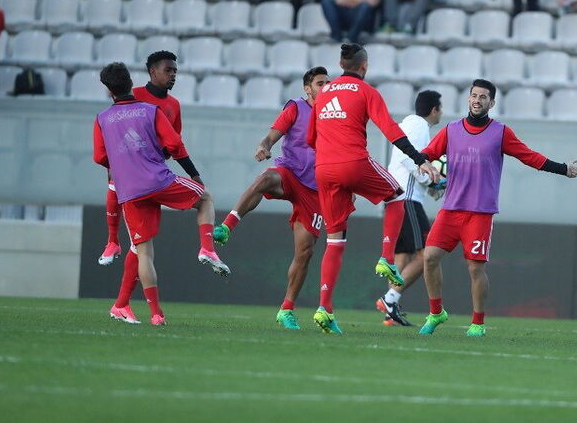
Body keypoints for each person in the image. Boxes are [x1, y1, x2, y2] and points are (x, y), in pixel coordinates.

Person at [417, 79, 577, 337]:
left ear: (491, 103)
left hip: (480, 212)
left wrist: (563, 169)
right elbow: (428, 152)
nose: (477, 100)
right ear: (468, 98)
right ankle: (436, 312)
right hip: (450, 209)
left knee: (475, 268)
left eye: (483, 97)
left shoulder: (500, 132)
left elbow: (529, 156)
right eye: (474, 95)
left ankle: (477, 323)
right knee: (429, 258)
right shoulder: (451, 130)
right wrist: (423, 162)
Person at [307, 44, 440, 334]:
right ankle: (385, 258)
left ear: (341, 64)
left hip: (324, 171)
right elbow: (391, 130)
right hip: (353, 162)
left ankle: (324, 308)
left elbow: (310, 139)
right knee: (395, 192)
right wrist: (420, 159)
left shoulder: (323, 95)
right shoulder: (367, 92)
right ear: (364, 67)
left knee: (334, 241)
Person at [95, 62, 229, 327]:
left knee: (143, 251)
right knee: (204, 199)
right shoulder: (150, 110)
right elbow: (175, 145)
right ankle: (207, 249)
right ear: (130, 81)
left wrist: (125, 166)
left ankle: (156, 314)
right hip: (157, 180)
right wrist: (194, 175)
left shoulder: (102, 118)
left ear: (109, 90)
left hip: (128, 190)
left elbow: (100, 156)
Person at [212, 67, 330, 330]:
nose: (326, 87)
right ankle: (227, 226)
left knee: (305, 252)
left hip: (316, 189)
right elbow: (273, 133)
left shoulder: (335, 114)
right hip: (289, 172)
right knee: (266, 179)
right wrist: (264, 145)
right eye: (320, 83)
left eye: (328, 83)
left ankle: (286, 310)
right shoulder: (296, 108)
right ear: (308, 89)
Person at [99, 50, 183, 267]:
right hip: (129, 169)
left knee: (140, 246)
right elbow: (114, 124)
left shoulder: (173, 104)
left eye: (175, 71)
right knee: (140, 246)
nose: (173, 75)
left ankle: (121, 302)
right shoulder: (132, 94)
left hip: (152, 172)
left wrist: (158, 156)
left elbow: (174, 140)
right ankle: (111, 240)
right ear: (153, 72)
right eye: (168, 70)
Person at [377, 90, 444, 327]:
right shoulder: (419, 126)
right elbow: (408, 157)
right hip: (407, 198)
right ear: (434, 109)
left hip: (397, 196)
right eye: (440, 108)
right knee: (426, 254)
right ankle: (389, 298)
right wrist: (432, 180)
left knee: (402, 255)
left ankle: (390, 312)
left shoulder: (408, 124)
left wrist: (431, 183)